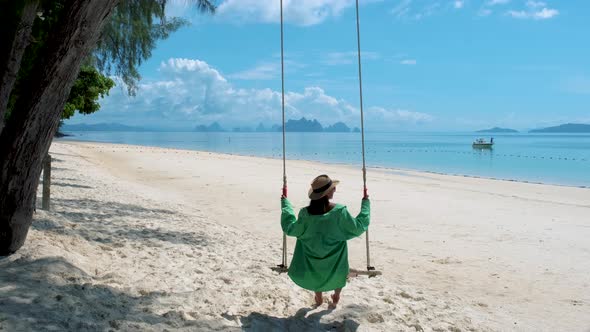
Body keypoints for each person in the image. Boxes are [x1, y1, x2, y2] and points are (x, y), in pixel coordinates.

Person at [281, 174, 370, 308]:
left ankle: (318, 297)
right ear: (327, 193)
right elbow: (358, 227)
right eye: (333, 188)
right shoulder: (339, 212)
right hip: (335, 261)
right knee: (339, 266)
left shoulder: (305, 214)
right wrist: (365, 205)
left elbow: (290, 228)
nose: (335, 190)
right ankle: (336, 295)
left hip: (312, 260)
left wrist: (285, 204)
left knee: (317, 268)